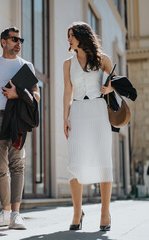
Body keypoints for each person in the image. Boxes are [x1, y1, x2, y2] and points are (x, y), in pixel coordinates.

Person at [0, 27, 40, 230]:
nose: (18, 43)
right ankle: (5, 212)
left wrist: (18, 93)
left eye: (20, 39)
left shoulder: (26, 65)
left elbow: (36, 95)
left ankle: (16, 214)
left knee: (17, 166)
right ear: (3, 41)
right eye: (14, 39)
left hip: (18, 121)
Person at [63, 22, 115, 231]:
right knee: (75, 160)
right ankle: (77, 211)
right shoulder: (68, 63)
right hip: (77, 112)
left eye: (71, 35)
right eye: (68, 36)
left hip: (98, 112)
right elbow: (67, 92)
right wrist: (64, 118)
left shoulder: (103, 59)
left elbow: (117, 81)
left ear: (82, 36)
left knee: (103, 160)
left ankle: (105, 213)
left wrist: (109, 87)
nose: (69, 39)